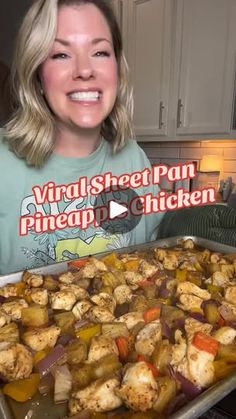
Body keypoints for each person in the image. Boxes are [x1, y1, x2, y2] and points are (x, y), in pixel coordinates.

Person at [0, 0, 235, 275]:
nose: (85, 70)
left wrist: (177, 226)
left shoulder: (131, 157)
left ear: (117, 70)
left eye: (100, 52)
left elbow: (151, 244)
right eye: (61, 54)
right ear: (38, 76)